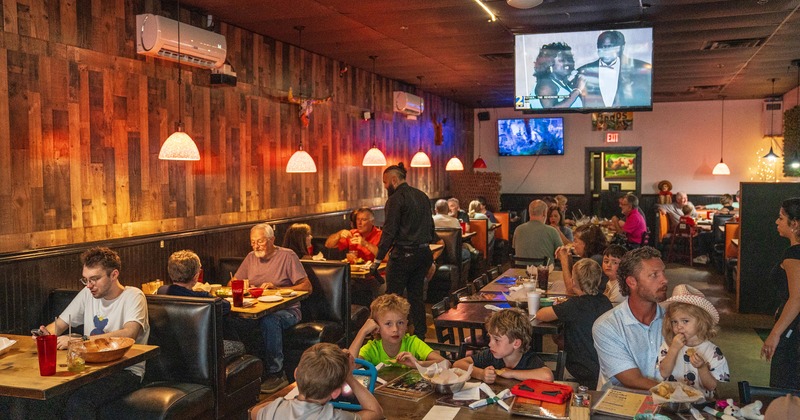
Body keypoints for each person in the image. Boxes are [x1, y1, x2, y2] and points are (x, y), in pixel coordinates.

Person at [35, 247, 149, 419]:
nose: (89, 285)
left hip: (125, 370)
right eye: (86, 280)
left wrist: (80, 341)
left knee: (80, 402)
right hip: (90, 368)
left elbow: (129, 333)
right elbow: (59, 325)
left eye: (95, 279)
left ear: (114, 274)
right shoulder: (87, 294)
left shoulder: (133, 296)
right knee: (48, 397)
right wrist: (43, 334)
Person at [234, 223, 313, 394]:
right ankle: (249, 373)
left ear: (272, 240)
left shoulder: (287, 256)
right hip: (257, 309)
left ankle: (277, 373)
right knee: (233, 320)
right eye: (253, 242)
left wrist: (277, 289)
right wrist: (244, 288)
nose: (256, 246)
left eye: (260, 242)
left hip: (288, 311)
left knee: (270, 320)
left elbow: (307, 287)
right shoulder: (250, 257)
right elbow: (234, 283)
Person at [372, 163, 435, 339]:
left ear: (393, 179)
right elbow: (431, 227)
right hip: (423, 254)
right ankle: (420, 336)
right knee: (416, 298)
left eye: (385, 182)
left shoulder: (395, 199)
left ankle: (390, 337)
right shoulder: (422, 196)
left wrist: (378, 259)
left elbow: (389, 231)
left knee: (392, 299)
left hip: (403, 256)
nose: (385, 187)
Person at [593, 246, 668, 390]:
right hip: (622, 406)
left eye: (663, 273)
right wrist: (678, 394)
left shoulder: (674, 320)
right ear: (632, 282)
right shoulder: (607, 326)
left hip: (666, 407)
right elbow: (632, 379)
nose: (664, 280)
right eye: (654, 275)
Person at [250, 343, 383, 420]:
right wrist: (349, 377)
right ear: (336, 392)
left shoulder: (274, 410)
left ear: (296, 374)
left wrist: (285, 401)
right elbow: (375, 412)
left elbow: (254, 411)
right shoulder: (335, 417)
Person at [536, 259, 612, 389]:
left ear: (573, 281)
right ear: (598, 280)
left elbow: (541, 315)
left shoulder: (574, 305)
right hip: (604, 367)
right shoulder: (605, 301)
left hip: (579, 369)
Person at [161, 250, 245, 358]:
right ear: (196, 276)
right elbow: (226, 306)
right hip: (201, 349)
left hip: (170, 350)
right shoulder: (203, 298)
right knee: (240, 346)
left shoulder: (161, 291)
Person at [656, 284, 729, 398]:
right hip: (671, 400)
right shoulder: (669, 345)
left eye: (685, 321)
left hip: (701, 404)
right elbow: (664, 373)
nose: (679, 326)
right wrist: (674, 349)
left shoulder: (712, 351)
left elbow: (711, 386)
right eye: (675, 322)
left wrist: (702, 367)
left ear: (701, 321)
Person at [454, 308, 553, 384]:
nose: (490, 344)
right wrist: (480, 374)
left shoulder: (528, 359)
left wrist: (510, 373)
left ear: (516, 343)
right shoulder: (490, 355)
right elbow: (458, 364)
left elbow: (547, 376)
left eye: (496, 340)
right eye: (490, 338)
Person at [762, 197, 800, 389]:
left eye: (781, 218)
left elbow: (797, 298)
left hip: (793, 332)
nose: (777, 222)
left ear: (794, 224)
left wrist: (775, 334)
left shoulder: (794, 254)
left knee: (785, 389)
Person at [349, 294, 444, 368]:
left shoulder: (413, 343)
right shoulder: (372, 349)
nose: (395, 329)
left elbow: (445, 363)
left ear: (406, 324)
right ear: (376, 327)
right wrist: (362, 332)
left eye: (400, 323)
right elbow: (349, 367)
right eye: (388, 324)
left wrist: (418, 364)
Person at [576, 30, 652, 108]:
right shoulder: (583, 71)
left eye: (609, 46)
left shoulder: (641, 68)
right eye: (602, 46)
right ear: (597, 48)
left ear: (618, 48)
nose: (605, 50)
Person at [555, 224, 607, 295]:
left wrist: (563, 260)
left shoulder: (595, 261)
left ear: (586, 243)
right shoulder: (594, 257)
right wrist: (568, 259)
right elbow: (575, 280)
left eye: (576, 241)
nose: (573, 245)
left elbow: (572, 289)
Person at [531, 42, 585, 109]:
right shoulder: (545, 85)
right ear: (549, 64)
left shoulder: (557, 82)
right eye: (562, 60)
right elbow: (551, 110)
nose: (568, 63)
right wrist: (577, 90)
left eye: (570, 59)